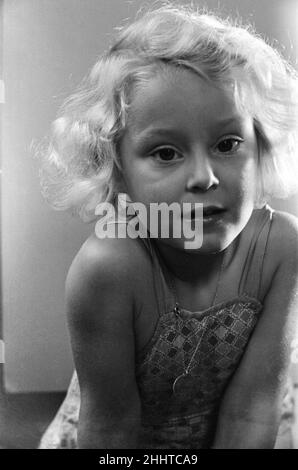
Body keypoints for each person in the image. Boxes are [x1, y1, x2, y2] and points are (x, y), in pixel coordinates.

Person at [38, 3, 298, 449]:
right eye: (165, 153)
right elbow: (111, 423)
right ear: (117, 172)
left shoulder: (283, 247)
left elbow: (252, 406)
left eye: (228, 143)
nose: (204, 177)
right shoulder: (109, 265)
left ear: (263, 146)